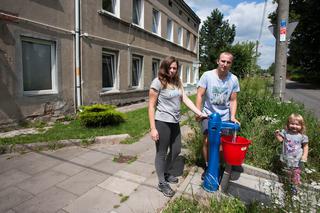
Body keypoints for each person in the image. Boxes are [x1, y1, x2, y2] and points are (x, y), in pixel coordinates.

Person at [148, 56, 207, 197]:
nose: (172, 70)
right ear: (165, 67)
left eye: (175, 68)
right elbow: (151, 106)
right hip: (162, 122)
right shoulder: (158, 82)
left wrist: (199, 112)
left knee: (176, 150)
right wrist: (153, 128)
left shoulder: (177, 82)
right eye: (170, 68)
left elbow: (184, 98)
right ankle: (162, 182)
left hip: (175, 122)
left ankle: (165, 172)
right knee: (161, 153)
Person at [195, 52, 240, 179]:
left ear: (231, 64)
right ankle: (208, 166)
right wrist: (199, 112)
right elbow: (199, 94)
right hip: (208, 115)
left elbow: (233, 100)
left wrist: (233, 116)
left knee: (221, 144)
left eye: (228, 62)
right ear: (218, 61)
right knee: (207, 141)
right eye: (223, 61)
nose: (225, 64)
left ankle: (218, 166)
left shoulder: (233, 79)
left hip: (224, 117)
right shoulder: (207, 75)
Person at [274, 113, 309, 193]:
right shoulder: (286, 133)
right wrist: (277, 135)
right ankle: (289, 184)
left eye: (297, 124)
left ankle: (294, 188)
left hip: (297, 159)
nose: (294, 126)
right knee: (288, 172)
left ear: (301, 126)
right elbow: (281, 141)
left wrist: (304, 156)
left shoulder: (302, 136)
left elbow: (305, 146)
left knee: (296, 173)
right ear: (288, 124)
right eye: (292, 124)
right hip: (286, 157)